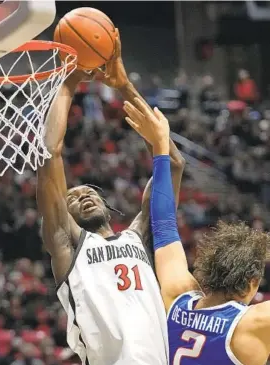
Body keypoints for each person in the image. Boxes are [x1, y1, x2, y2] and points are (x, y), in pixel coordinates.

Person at [36, 30, 185, 365]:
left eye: (89, 191)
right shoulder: (67, 243)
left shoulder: (139, 235)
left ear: (107, 204)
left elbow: (173, 164)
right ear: (64, 215)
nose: (84, 194)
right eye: (72, 197)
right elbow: (49, 153)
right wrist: (71, 79)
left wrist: (123, 84)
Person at [124, 97, 270, 365]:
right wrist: (159, 150)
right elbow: (164, 223)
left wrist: (160, 150)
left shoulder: (178, 298)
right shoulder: (252, 323)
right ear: (251, 282)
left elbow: (164, 224)